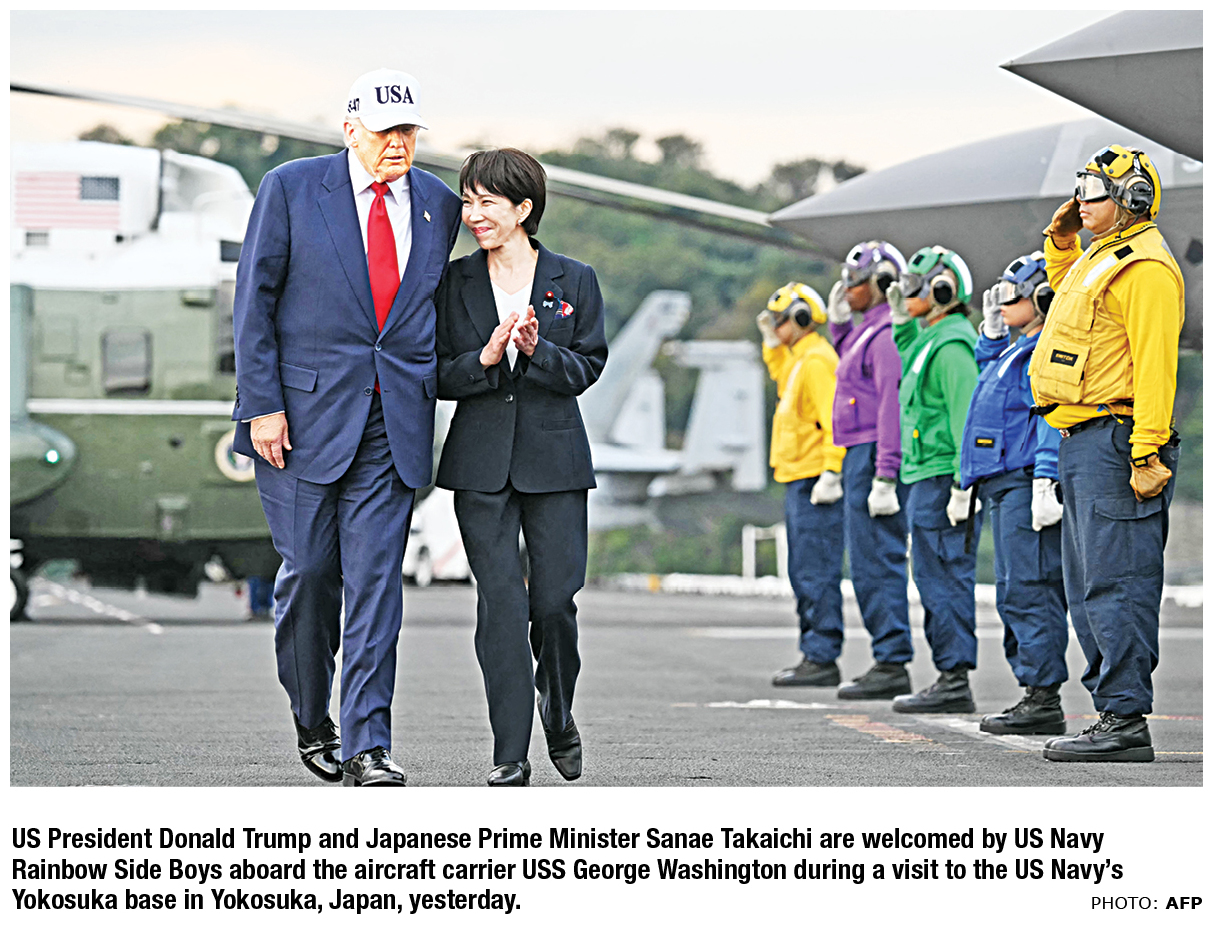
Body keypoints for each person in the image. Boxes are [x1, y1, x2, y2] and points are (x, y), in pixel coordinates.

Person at [232, 69, 462, 786]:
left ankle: (368, 744)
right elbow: (253, 302)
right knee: (308, 574)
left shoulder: (438, 204)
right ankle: (312, 717)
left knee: (375, 584)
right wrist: (261, 404)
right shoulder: (291, 188)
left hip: (393, 423)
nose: (399, 144)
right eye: (386, 131)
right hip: (298, 422)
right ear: (351, 130)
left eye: (409, 131)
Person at [435, 148, 607, 786]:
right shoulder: (451, 282)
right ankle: (510, 752)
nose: (474, 214)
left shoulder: (575, 279)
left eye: (488, 202)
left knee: (555, 604)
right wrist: (482, 360)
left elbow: (588, 367)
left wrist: (538, 352)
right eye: (468, 201)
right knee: (502, 605)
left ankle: (557, 710)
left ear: (523, 208)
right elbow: (433, 374)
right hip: (479, 465)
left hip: (555, 462)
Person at [1030, 145, 1183, 762]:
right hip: (1082, 442)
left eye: (1093, 192)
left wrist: (1146, 452)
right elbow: (1070, 300)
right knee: (1087, 585)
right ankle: (1111, 712)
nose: (1080, 201)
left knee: (1117, 583)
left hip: (1118, 443)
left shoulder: (1146, 268)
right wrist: (1062, 241)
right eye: (1080, 189)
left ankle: (1124, 719)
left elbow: (1155, 367)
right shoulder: (1101, 258)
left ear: (1131, 200)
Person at [959, 253, 1068, 734]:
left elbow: (1050, 413)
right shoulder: (1018, 349)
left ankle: (1043, 697)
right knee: (1011, 591)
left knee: (1031, 588)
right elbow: (992, 383)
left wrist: (1046, 476)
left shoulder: (1045, 349)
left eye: (1011, 296)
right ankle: (1033, 689)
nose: (1002, 304)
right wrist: (991, 336)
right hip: (1001, 484)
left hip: (1024, 482)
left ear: (1041, 297)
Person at [886, 247, 982, 713]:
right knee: (930, 577)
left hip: (943, 478)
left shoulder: (952, 347)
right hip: (925, 474)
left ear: (941, 291)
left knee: (945, 577)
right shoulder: (931, 339)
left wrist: (964, 484)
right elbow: (908, 356)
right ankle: (949, 675)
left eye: (913, 289)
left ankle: (954, 678)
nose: (905, 296)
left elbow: (965, 418)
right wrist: (900, 320)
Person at [825, 242, 916, 700]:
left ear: (880, 284)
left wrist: (885, 473)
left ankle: (892, 659)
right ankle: (887, 655)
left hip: (872, 451)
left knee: (877, 560)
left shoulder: (884, 337)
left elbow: (889, 406)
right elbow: (852, 369)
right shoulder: (869, 331)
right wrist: (839, 326)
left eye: (855, 282)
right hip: (859, 451)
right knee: (865, 562)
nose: (846, 289)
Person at [757, 283, 846, 687]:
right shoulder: (799, 358)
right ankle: (815, 652)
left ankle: (822, 656)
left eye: (780, 321)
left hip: (815, 480)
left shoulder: (817, 361)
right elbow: (781, 377)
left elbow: (834, 419)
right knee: (803, 569)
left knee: (815, 570)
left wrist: (832, 470)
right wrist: (771, 345)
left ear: (801, 319)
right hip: (799, 477)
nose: (776, 327)